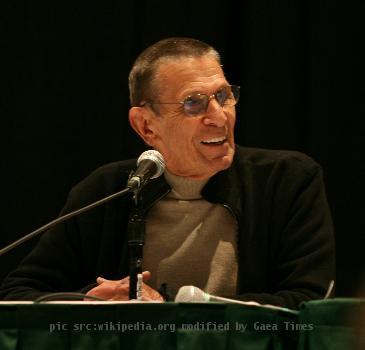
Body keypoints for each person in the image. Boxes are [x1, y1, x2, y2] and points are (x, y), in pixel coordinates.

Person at [0, 37, 335, 309]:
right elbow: (17, 294)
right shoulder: (107, 190)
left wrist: (169, 307)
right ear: (145, 125)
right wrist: (88, 300)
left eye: (223, 95)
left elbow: (308, 305)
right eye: (194, 103)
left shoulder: (287, 180)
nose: (219, 116)